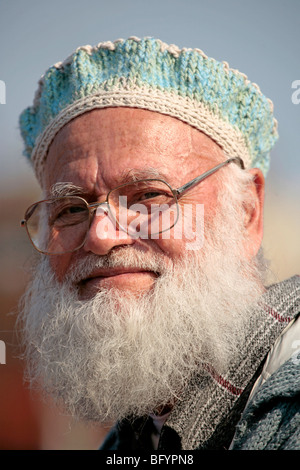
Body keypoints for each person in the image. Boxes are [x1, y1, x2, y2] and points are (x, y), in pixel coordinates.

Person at [19, 36, 300, 450]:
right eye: (70, 210)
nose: (99, 235)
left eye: (149, 196)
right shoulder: (134, 438)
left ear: (246, 212)